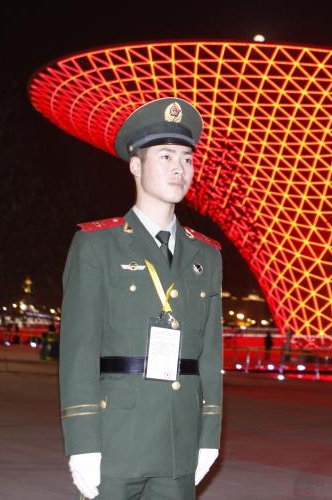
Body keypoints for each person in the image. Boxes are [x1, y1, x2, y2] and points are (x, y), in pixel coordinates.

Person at [59, 98, 223, 500]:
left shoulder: (206, 255)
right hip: (116, 438)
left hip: (179, 440)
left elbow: (210, 354)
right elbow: (79, 350)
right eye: (165, 155)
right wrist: (83, 442)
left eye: (186, 158)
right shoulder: (97, 245)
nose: (179, 168)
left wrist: (209, 434)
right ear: (136, 166)